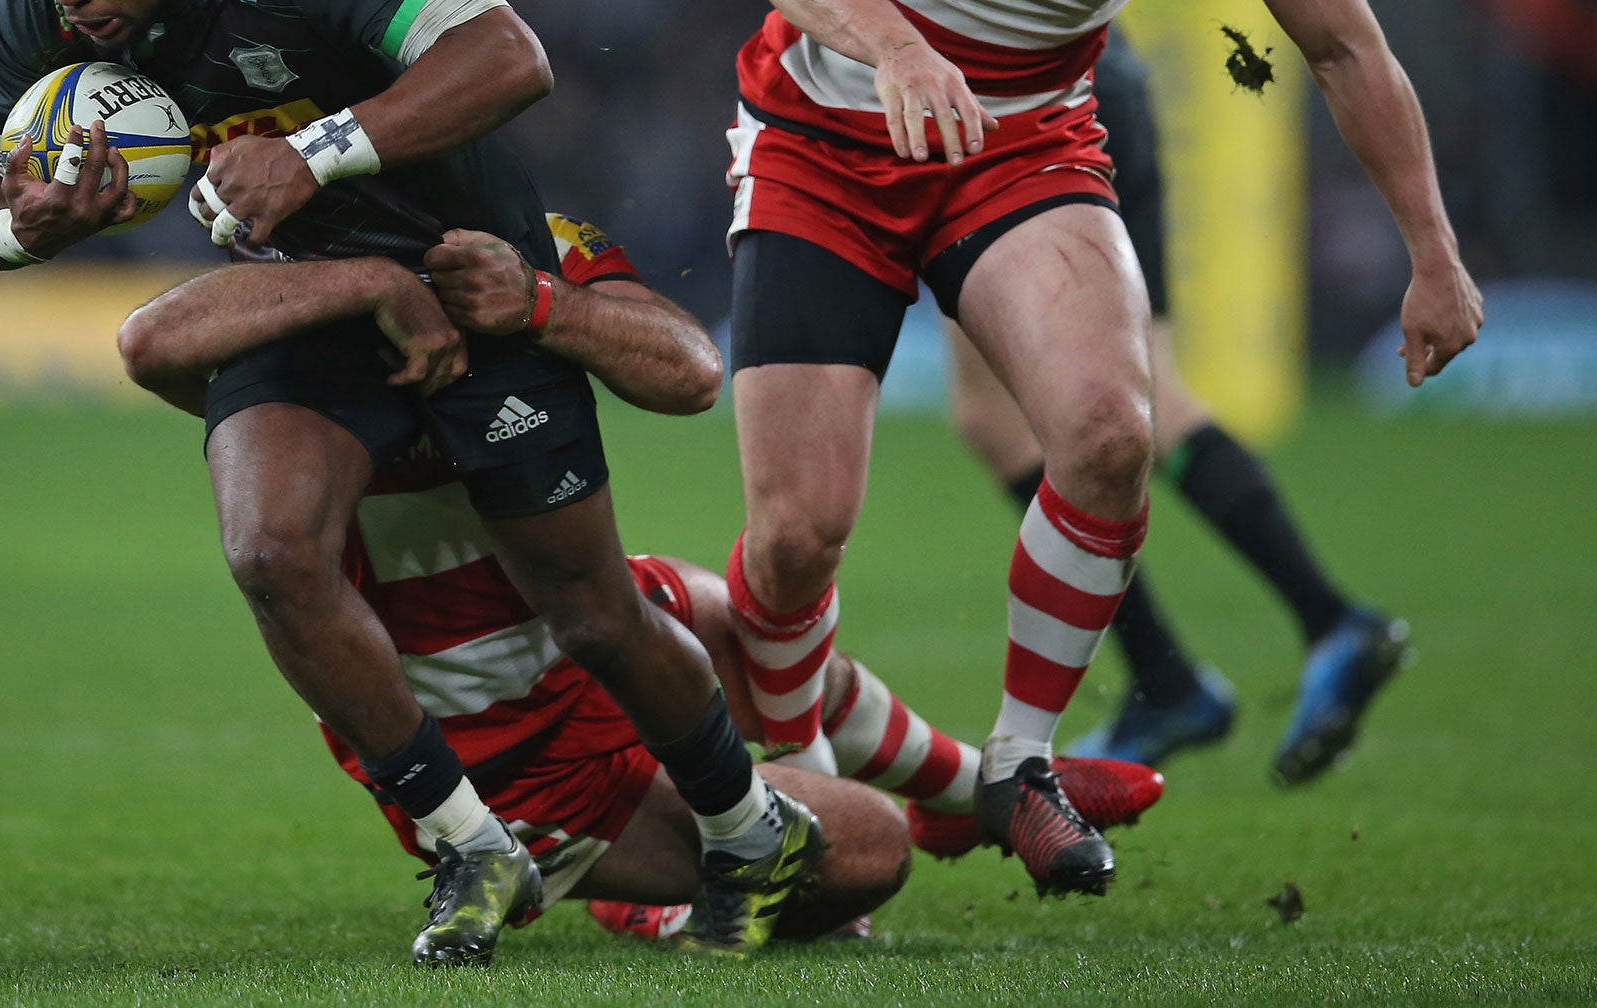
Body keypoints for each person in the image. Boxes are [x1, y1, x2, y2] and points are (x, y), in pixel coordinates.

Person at [0, 0, 814, 963]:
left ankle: (750, 829)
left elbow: (509, 56)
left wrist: (311, 153)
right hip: (303, 300)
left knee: (594, 616)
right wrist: (13, 233)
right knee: (268, 551)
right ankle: (467, 841)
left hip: (467, 276)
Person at [726, 0, 1482, 897]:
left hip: (1022, 148)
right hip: (825, 141)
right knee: (796, 532)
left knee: (1112, 433)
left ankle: (1022, 766)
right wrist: (897, 50)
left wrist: (1433, 252)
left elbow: (1350, 52)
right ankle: (790, 785)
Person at [116, 210, 1164, 944]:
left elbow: (685, 369)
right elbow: (153, 340)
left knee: (740, 618)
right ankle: (642, 895)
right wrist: (376, 285)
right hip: (501, 747)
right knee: (862, 852)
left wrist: (537, 302)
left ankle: (973, 793)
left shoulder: (518, 232)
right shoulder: (291, 288)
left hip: (591, 621)